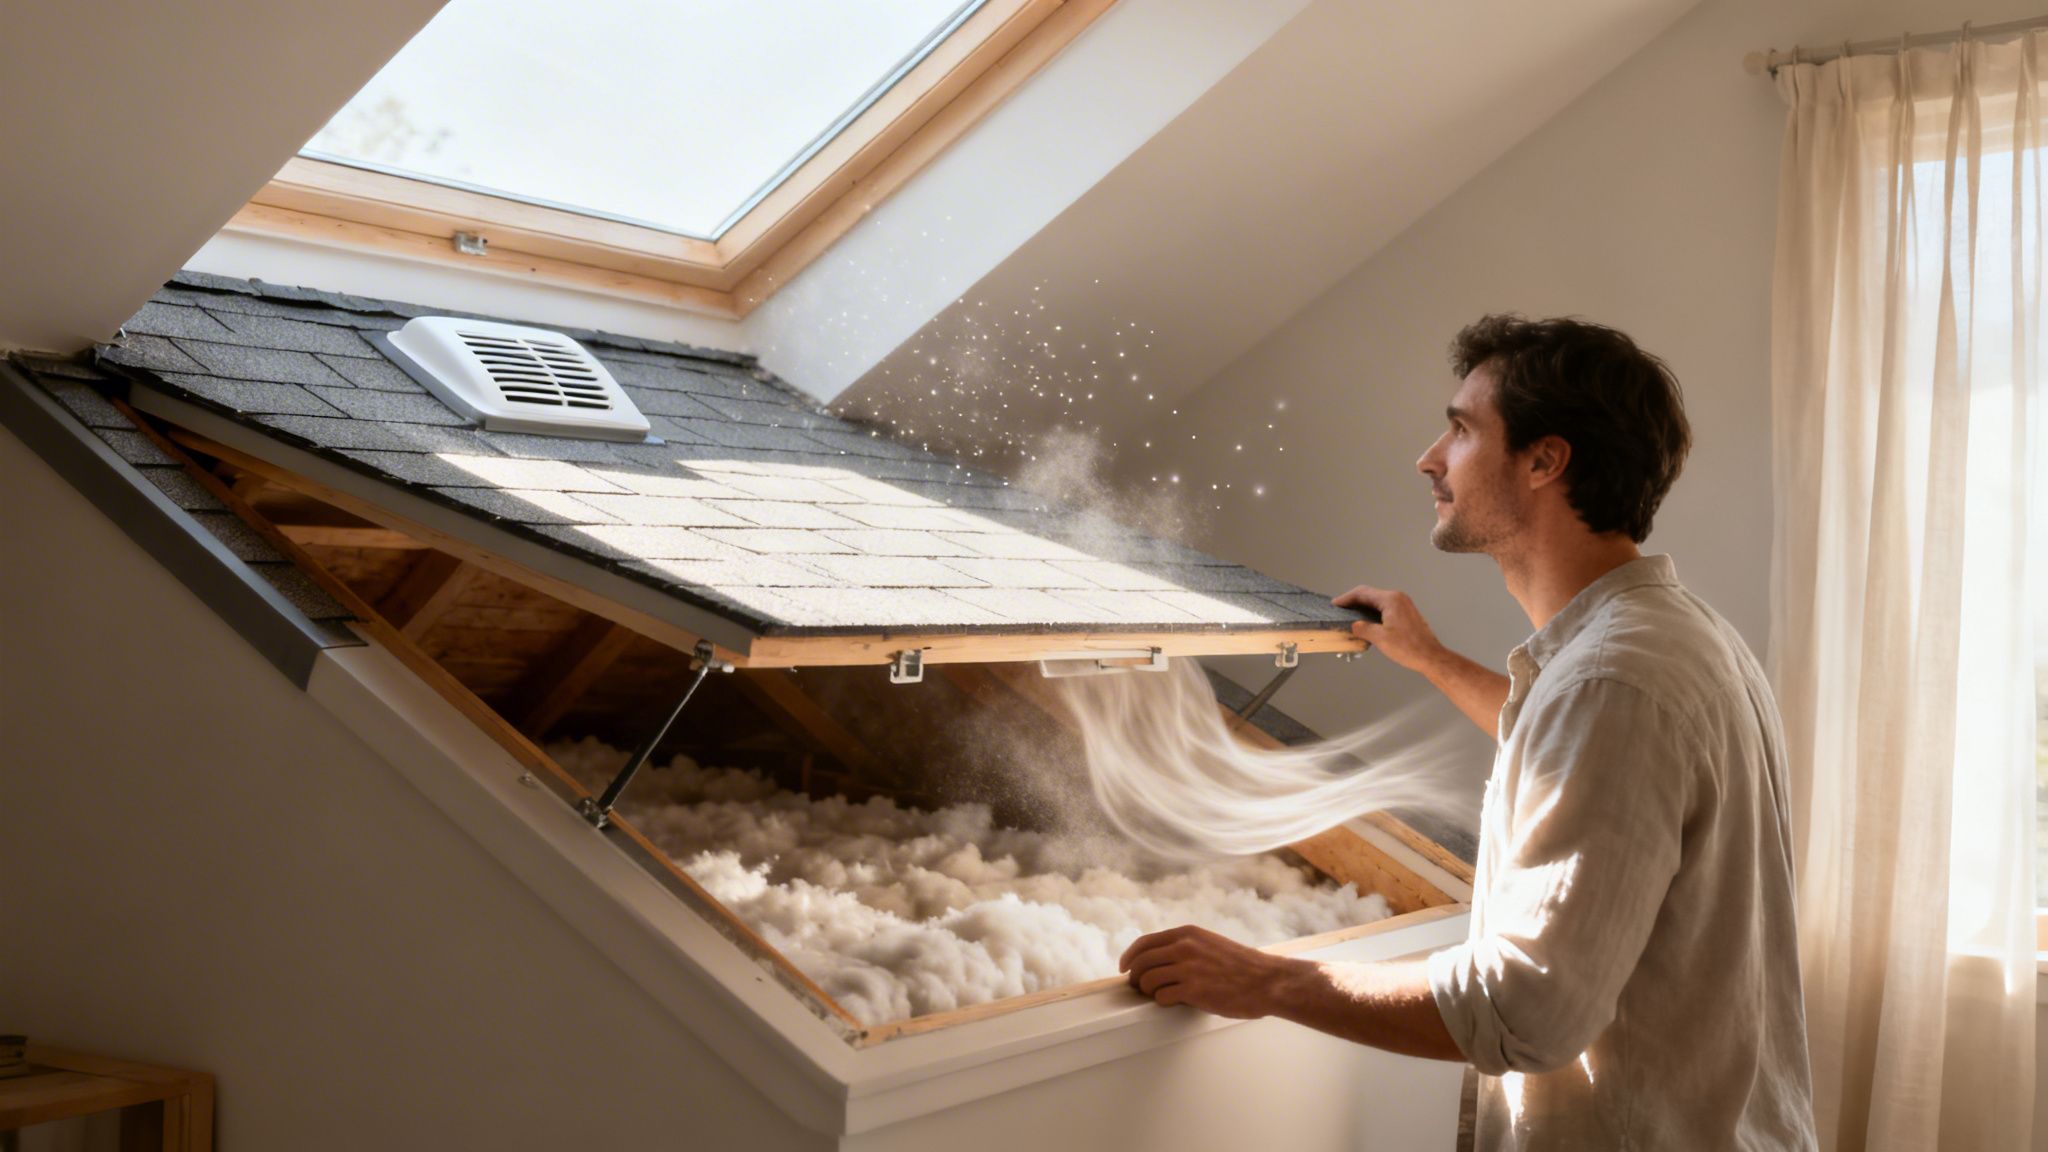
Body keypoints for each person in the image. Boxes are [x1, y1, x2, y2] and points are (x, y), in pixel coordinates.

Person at [1119, 315, 1817, 1150]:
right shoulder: (1673, 638)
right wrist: (1432, 659)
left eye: (1459, 429)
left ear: (1543, 460)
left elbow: (1524, 1011)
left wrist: (1268, 978)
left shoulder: (1612, 682)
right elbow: (1565, 747)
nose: (1429, 458)